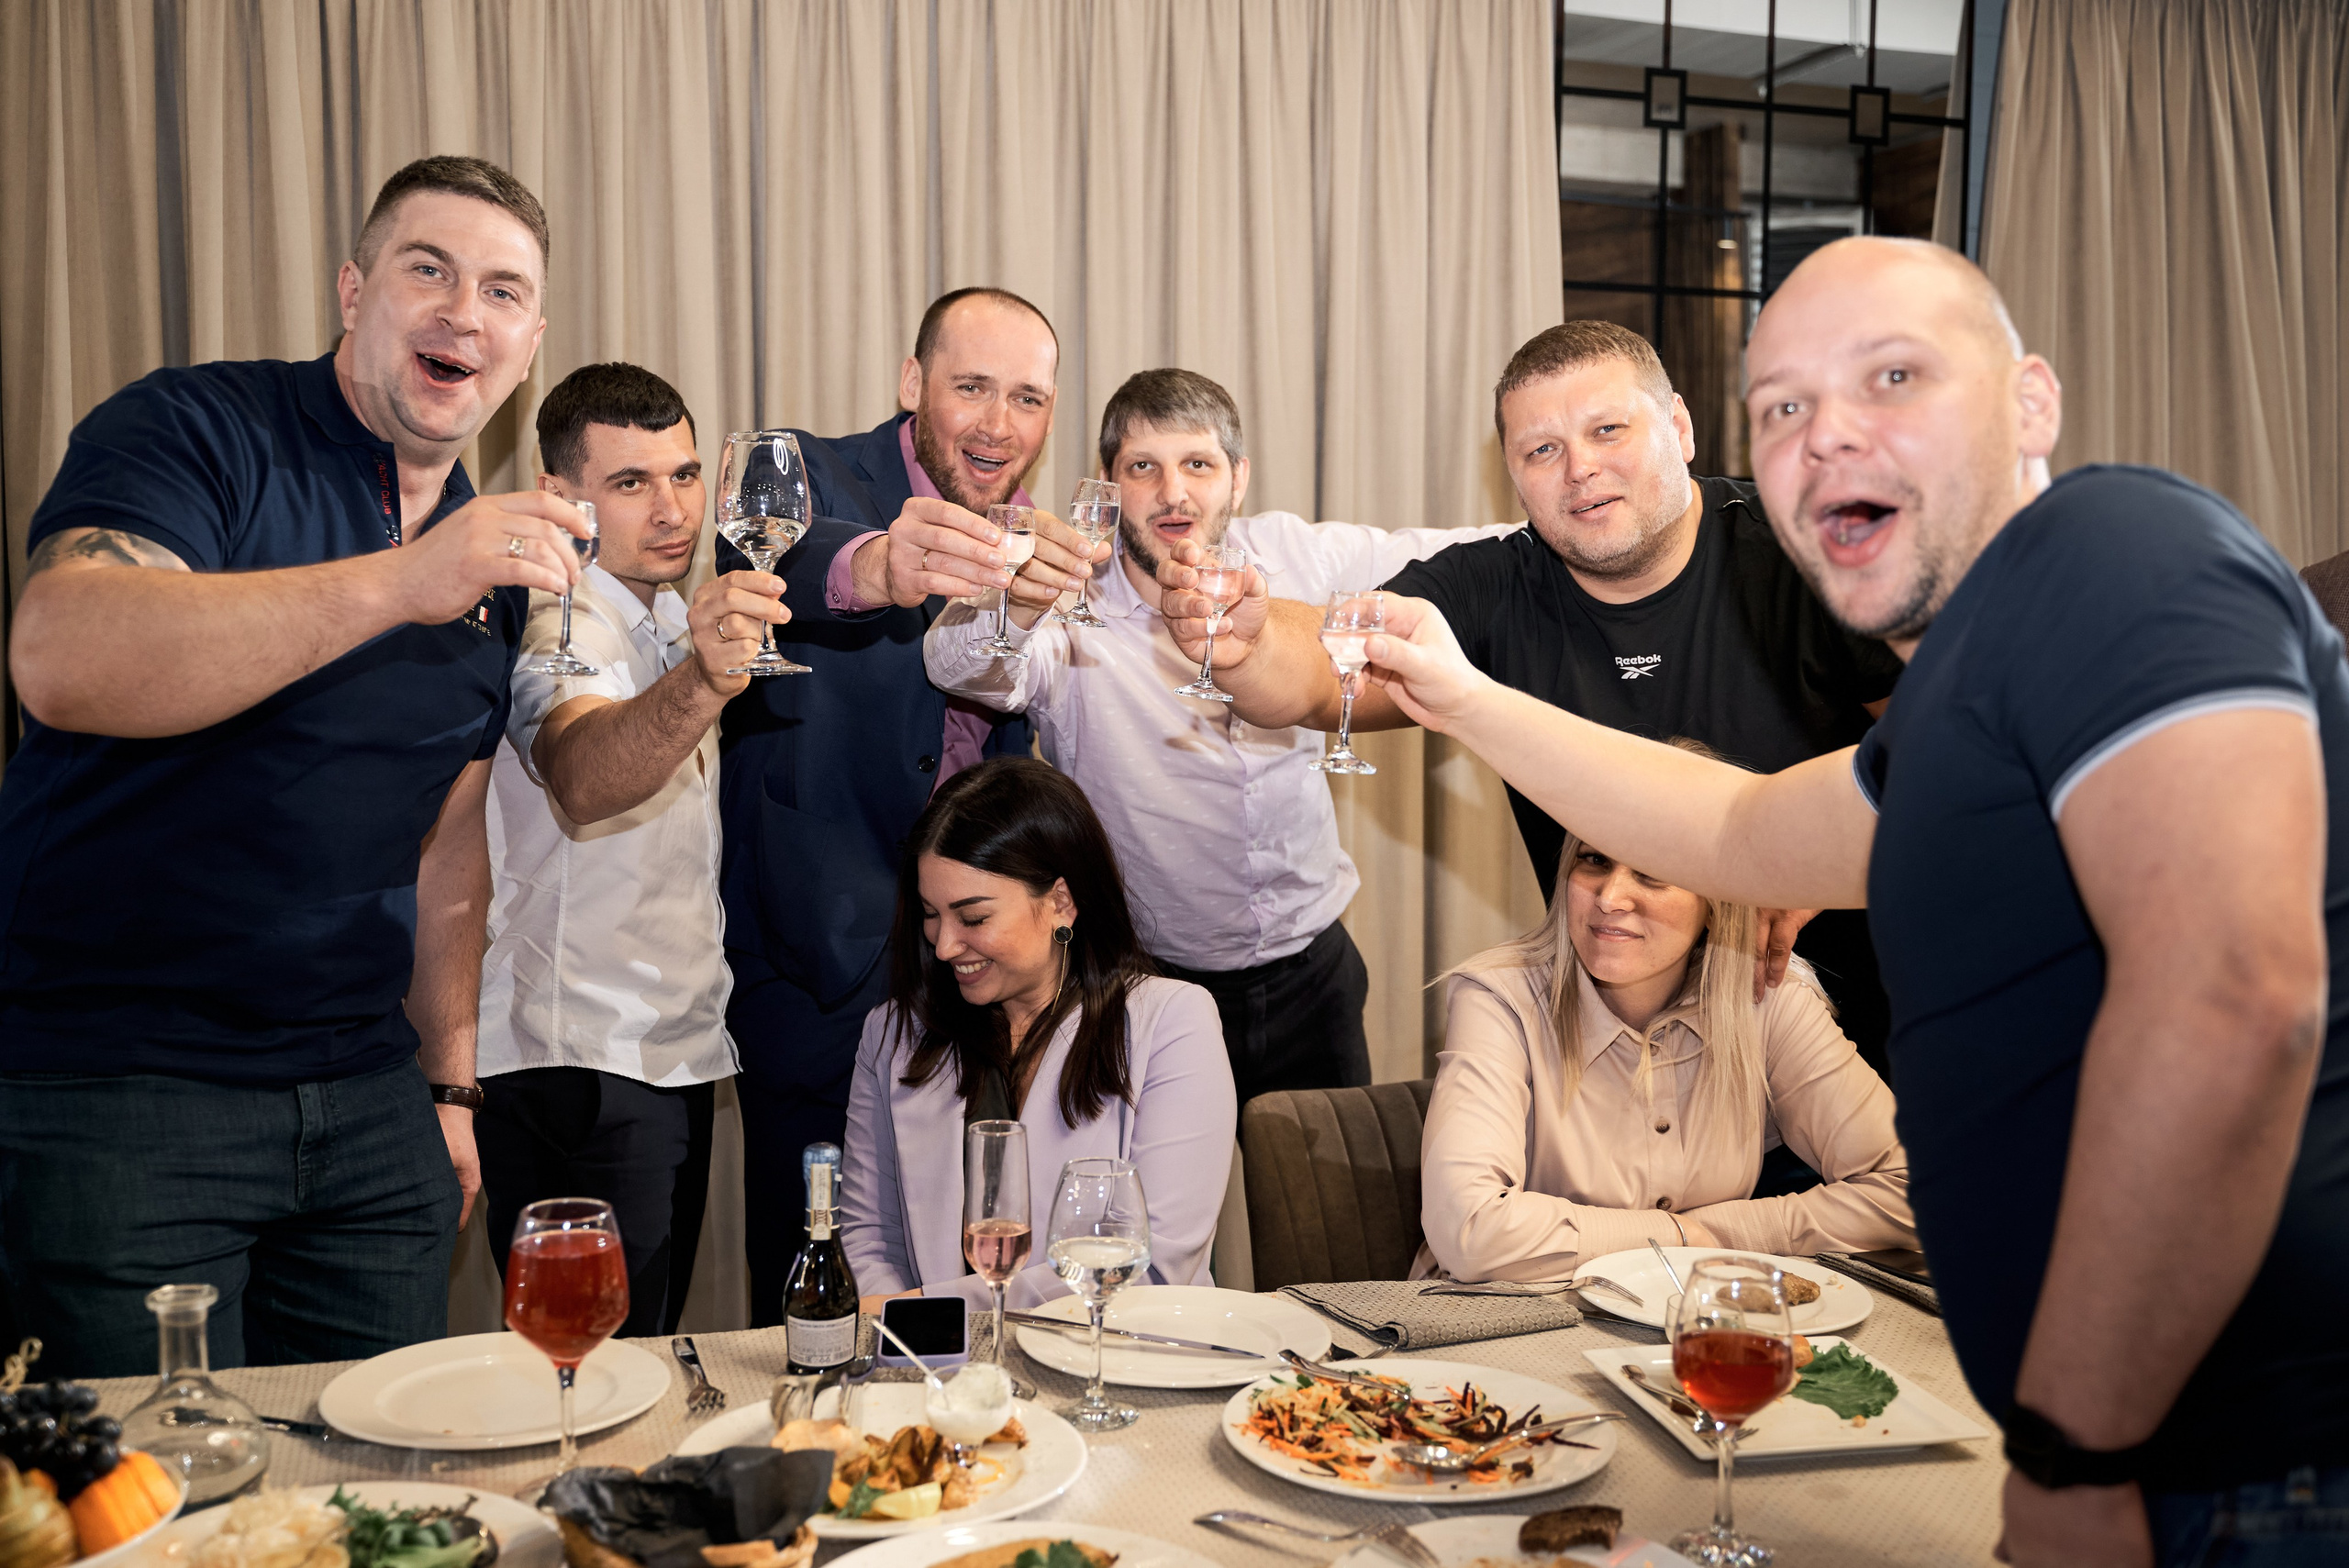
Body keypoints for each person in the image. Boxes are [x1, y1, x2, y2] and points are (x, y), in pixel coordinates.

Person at [1355, 237, 2349, 1565]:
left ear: (2031, 402)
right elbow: (1738, 827)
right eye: (1784, 407)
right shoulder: (1952, 711)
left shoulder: (2113, 550)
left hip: (2260, 1456)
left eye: (1891, 376)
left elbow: (2235, 1002)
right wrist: (1465, 692)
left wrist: (2076, 1445)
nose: (1826, 438)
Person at [0, 156, 589, 1375]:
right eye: (427, 269)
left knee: (379, 1494)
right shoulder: (197, 428)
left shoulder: (494, 558)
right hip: (123, 1088)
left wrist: (452, 1089)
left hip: (368, 1104)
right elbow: (61, 651)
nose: (461, 311)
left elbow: (446, 849)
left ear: (527, 345)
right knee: (155, 1512)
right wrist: (399, 582)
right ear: (353, 290)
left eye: (501, 291)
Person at [1158, 322, 1903, 1076]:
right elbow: (1328, 663)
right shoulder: (1493, 588)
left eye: (1608, 429)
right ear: (1513, 474)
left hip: (1857, 1031)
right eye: (1542, 450)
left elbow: (1940, 759)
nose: (1580, 468)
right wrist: (1246, 642)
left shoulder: (1810, 556)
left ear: (1678, 428)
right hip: (1625, 1056)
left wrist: (1814, 863)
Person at [922, 369, 1518, 1103]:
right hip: (1148, 985)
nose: (1173, 493)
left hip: (1315, 972)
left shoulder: (1296, 555)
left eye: (1197, 465)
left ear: (1237, 480)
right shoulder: (1070, 605)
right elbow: (956, 663)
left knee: (1325, 1214)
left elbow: (1475, 559)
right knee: (1148, 1218)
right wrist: (1011, 599)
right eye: (1144, 467)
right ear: (1108, 488)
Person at [718, 286, 1104, 1324]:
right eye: (970, 387)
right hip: (816, 959)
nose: (996, 424)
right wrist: (881, 564)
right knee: (815, 1274)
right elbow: (760, 552)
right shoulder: (817, 468)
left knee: (953, 1260)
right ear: (911, 384)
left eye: (1026, 398)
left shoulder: (1042, 543)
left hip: (974, 978)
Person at [477, 362, 789, 1336]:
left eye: (686, 475)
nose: (673, 508)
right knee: (595, 1361)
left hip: (664, 1049)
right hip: (582, 1061)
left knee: (642, 1351)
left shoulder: (664, 613)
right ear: (564, 498)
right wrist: (703, 681)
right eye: (631, 483)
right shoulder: (556, 614)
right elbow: (581, 771)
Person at [1416, 760, 1913, 1284]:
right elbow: (1469, 1232)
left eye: (1653, 872)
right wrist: (1679, 1239)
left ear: (1717, 899)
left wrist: (1723, 1233)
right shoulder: (1500, 996)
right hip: (1496, 1322)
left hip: (1689, 1328)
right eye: (1593, 861)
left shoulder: (1767, 997)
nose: (1610, 898)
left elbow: (1917, 1188)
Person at [839, 757, 1237, 1310]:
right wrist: (920, 1341)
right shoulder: (893, 1033)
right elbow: (869, 1234)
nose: (945, 945)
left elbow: (1152, 1265)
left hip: (1125, 1364)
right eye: (931, 914)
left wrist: (933, 1309)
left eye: (973, 918)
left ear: (1060, 903)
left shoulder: (1173, 1021)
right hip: (939, 1368)